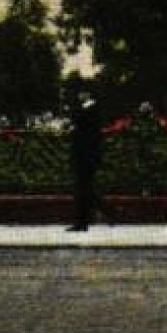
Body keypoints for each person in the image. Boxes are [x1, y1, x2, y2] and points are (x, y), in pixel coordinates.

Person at [68, 91, 104, 232]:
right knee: (85, 189)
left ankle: (84, 221)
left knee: (83, 189)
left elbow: (80, 125)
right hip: (86, 156)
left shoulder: (89, 111)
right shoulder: (87, 110)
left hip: (85, 156)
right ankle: (86, 219)